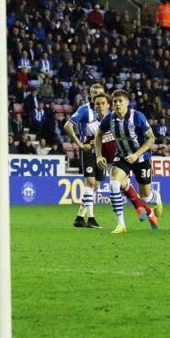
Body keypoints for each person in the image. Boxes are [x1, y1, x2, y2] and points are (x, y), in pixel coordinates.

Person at [94, 89, 160, 234]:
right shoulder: (109, 119)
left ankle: (156, 199)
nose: (117, 104)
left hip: (141, 158)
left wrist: (136, 155)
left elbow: (151, 139)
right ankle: (121, 225)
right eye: (115, 102)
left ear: (127, 103)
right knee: (113, 183)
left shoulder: (138, 117)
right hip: (123, 157)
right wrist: (98, 155)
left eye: (120, 101)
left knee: (146, 197)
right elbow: (98, 135)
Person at [63, 82, 107, 229]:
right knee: (90, 182)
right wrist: (80, 144)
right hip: (88, 150)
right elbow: (68, 126)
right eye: (94, 94)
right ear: (90, 95)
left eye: (99, 93)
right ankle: (92, 219)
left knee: (96, 185)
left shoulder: (106, 111)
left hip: (101, 152)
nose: (97, 96)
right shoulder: (84, 110)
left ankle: (80, 217)